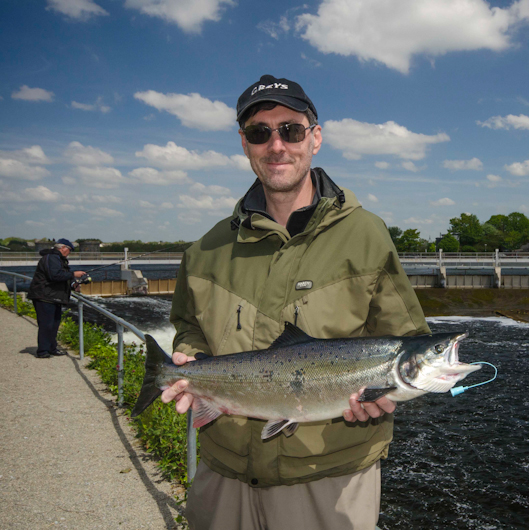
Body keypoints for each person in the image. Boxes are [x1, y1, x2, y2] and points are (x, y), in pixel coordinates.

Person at [161, 75, 430, 530]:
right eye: (260, 132)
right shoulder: (204, 249)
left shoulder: (367, 235)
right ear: (244, 144)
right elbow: (188, 324)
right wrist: (190, 355)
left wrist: (385, 395)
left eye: (291, 129)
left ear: (316, 138)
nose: (277, 145)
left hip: (330, 477)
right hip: (222, 471)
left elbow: (410, 343)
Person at [27, 239, 87, 358]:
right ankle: (42, 351)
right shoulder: (52, 258)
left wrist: (72, 284)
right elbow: (54, 276)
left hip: (53, 297)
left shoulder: (58, 259)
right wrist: (74, 274)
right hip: (44, 296)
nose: (69, 253)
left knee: (54, 324)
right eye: (69, 250)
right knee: (46, 324)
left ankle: (51, 348)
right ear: (63, 247)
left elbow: (61, 276)